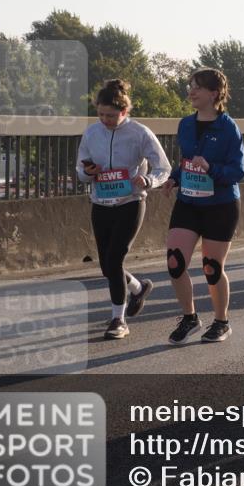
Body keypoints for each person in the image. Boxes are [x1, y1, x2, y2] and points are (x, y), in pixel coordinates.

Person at [77, 79, 171, 340]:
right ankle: (138, 288)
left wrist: (149, 180)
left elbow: (164, 167)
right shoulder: (91, 134)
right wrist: (87, 172)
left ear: (124, 112)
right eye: (101, 114)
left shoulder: (140, 133)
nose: (105, 120)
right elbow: (80, 171)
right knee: (107, 267)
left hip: (130, 203)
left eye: (111, 115)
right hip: (101, 203)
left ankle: (118, 319)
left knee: (115, 259)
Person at [162, 68, 244, 344]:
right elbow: (187, 159)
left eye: (197, 87)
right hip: (188, 200)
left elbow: (238, 171)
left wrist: (211, 168)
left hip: (220, 204)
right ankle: (190, 318)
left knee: (211, 267)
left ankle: (222, 321)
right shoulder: (185, 124)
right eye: (190, 85)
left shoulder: (228, 127)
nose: (191, 91)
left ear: (214, 93)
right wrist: (173, 178)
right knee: (175, 261)